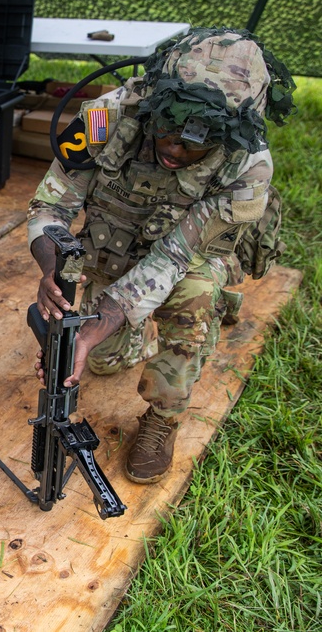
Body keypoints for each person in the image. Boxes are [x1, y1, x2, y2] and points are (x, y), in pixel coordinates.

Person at [28, 27, 296, 484]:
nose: (174, 151)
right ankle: (133, 333)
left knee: (194, 295)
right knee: (102, 359)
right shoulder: (105, 118)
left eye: (195, 146)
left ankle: (164, 417)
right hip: (110, 245)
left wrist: (106, 316)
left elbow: (173, 257)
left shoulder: (248, 166)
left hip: (185, 258)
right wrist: (53, 267)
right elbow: (51, 205)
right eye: (166, 134)